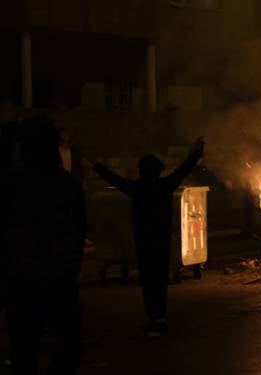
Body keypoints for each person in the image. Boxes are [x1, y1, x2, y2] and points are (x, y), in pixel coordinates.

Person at [92, 137, 204, 337]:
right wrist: (195, 153)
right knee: (160, 279)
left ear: (141, 171)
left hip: (144, 241)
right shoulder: (165, 185)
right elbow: (183, 170)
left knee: (148, 280)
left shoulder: (136, 188)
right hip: (161, 240)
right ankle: (160, 317)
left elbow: (113, 179)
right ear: (159, 170)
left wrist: (95, 164)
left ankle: (153, 317)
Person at [0, 117, 86, 375]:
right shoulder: (66, 184)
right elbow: (80, 227)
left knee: (25, 350)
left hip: (23, 278)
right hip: (55, 275)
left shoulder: (11, 183)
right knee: (68, 345)